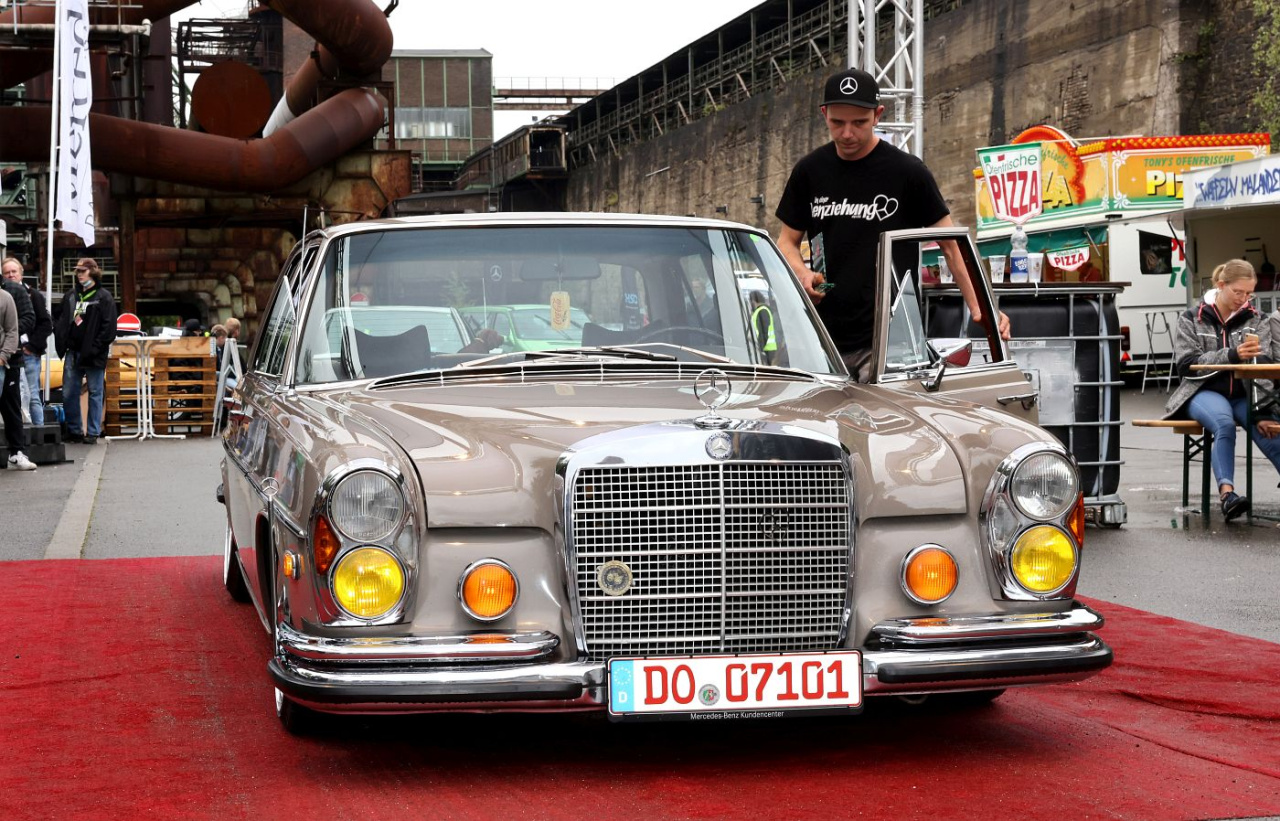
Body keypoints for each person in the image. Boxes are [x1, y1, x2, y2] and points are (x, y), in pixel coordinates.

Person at [774, 67, 1009, 380]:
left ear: (878, 115)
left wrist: (982, 307)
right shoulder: (809, 171)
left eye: (859, 122)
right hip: (822, 337)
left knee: (885, 413)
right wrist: (802, 273)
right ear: (824, 114)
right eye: (838, 122)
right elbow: (786, 242)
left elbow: (951, 245)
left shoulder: (907, 172)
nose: (847, 133)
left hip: (889, 339)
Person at [1163, 259, 1280, 520]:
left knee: (1268, 426)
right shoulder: (1191, 318)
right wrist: (1232, 355)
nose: (1244, 299)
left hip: (1243, 393)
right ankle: (1228, 496)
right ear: (1221, 285)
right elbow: (1187, 365)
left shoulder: (1257, 319)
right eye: (1238, 292)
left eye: (1249, 294)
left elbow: (1262, 366)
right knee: (1224, 424)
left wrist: (1263, 411)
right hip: (1201, 391)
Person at [54, 257, 117, 445]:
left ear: (93, 272)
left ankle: (92, 432)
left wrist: (95, 347)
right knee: (68, 392)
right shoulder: (71, 295)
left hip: (93, 353)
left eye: (83, 271)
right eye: (78, 271)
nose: (79, 274)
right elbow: (59, 317)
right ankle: (74, 430)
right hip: (73, 350)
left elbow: (109, 328)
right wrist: (62, 337)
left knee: (95, 392)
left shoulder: (104, 297)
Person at [2, 257, 53, 426]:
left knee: (32, 394)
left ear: (21, 273)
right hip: (8, 351)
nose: (11, 275)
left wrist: (32, 346)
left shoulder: (33, 295)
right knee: (14, 395)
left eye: (14, 271)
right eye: (7, 272)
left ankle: (38, 430)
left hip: (27, 351)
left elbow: (45, 323)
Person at [0, 285, 37, 470]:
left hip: (7, 362)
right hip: (8, 359)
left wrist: (3, 355)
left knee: (11, 408)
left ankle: (17, 453)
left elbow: (13, 330)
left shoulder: (7, 296)